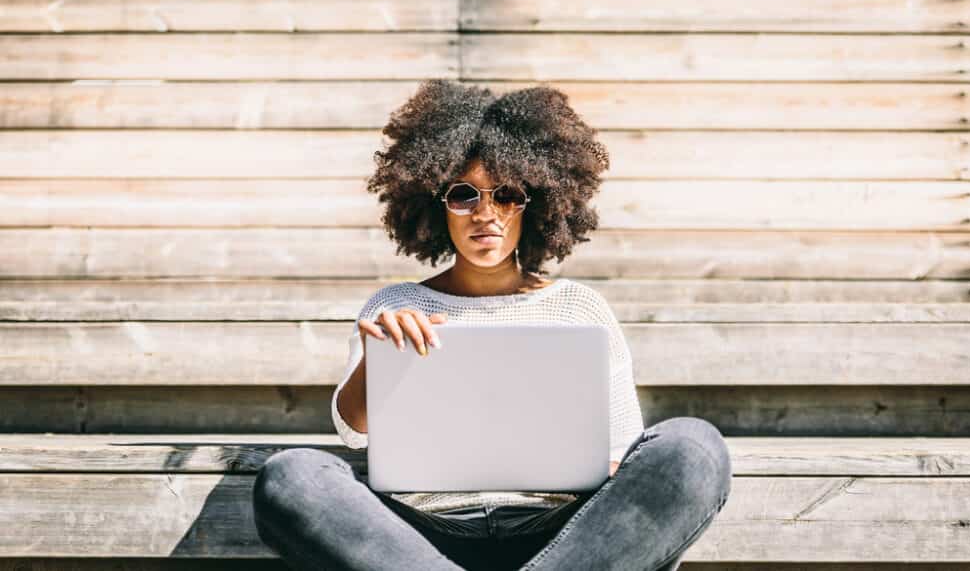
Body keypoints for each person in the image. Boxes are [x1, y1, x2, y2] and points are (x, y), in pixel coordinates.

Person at [251, 80, 732, 570]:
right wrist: (381, 354)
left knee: (694, 447)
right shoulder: (395, 305)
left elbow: (623, 450)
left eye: (507, 195)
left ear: (538, 202)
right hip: (420, 532)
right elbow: (352, 434)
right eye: (464, 195)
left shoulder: (580, 308)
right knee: (292, 475)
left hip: (560, 532)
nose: (486, 214)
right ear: (434, 204)